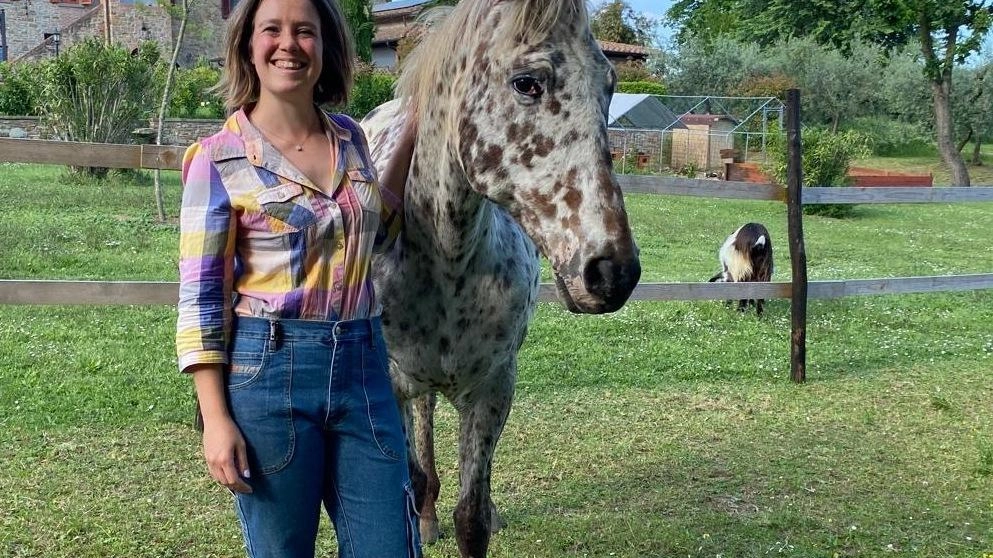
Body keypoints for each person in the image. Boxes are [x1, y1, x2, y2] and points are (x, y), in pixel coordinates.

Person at [175, 0, 419, 555]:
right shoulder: (217, 159)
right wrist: (215, 419)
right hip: (268, 372)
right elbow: (201, 301)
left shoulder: (352, 139)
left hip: (364, 365)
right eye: (273, 30)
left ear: (325, 47)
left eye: (305, 31)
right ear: (248, 47)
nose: (289, 44)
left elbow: (376, 231)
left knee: (390, 546)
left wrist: (415, 128)